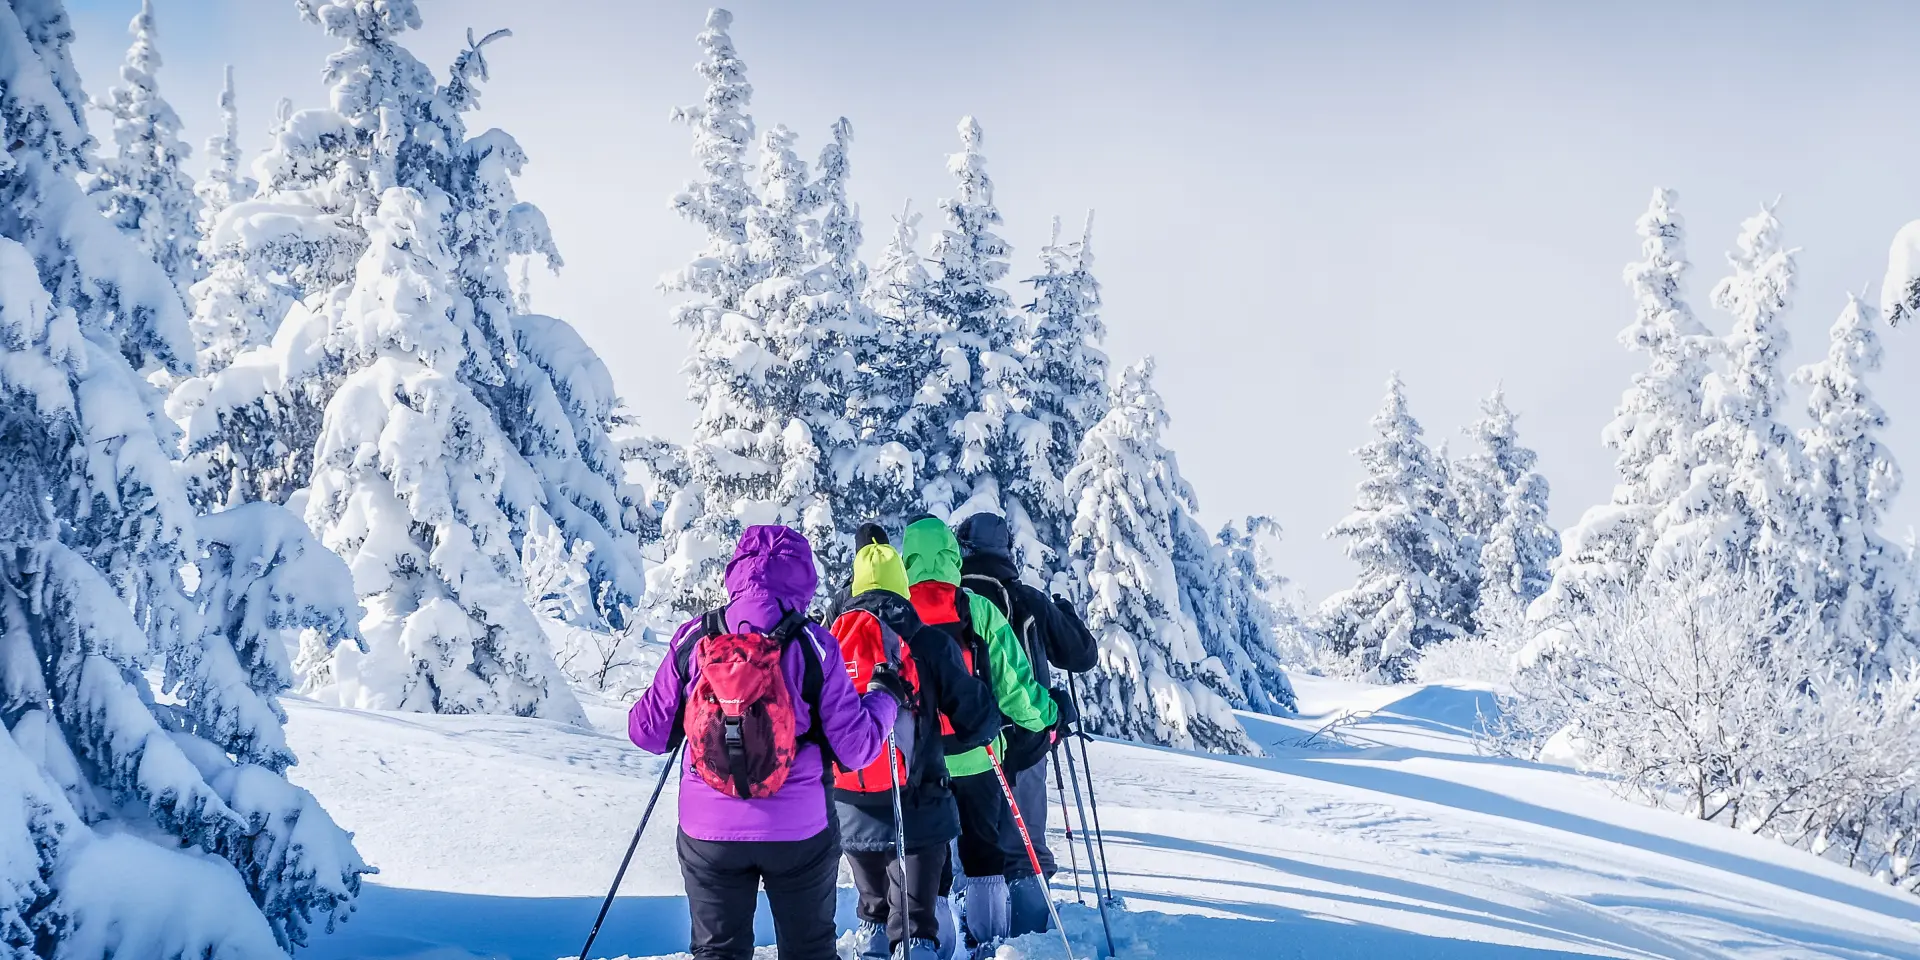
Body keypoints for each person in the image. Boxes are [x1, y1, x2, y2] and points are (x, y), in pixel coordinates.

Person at [628, 525, 901, 960]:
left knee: (718, 952)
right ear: (804, 578)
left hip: (708, 829)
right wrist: (885, 697)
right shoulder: (815, 645)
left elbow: (647, 732)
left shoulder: (695, 637)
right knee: (808, 951)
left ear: (735, 572)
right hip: (798, 830)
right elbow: (854, 748)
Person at [830, 525, 999, 960]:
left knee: (872, 907)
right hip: (918, 804)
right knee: (915, 921)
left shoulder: (829, 638)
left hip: (850, 803)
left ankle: (870, 949)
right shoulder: (925, 639)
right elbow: (978, 719)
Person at [899, 515, 1059, 949]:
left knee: (931, 861)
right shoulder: (976, 608)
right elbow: (1015, 688)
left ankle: (937, 945)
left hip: (917, 761)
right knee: (985, 855)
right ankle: (991, 944)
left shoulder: (894, 612)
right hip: (979, 752)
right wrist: (1045, 716)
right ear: (953, 555)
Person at [953, 514, 1098, 936]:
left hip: (963, 746)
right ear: (1007, 552)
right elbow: (1081, 656)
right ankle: (1029, 938)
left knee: (969, 849)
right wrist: (1067, 617)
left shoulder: (951, 603)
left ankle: (970, 931)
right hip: (1026, 741)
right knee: (1023, 852)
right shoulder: (1026, 599)